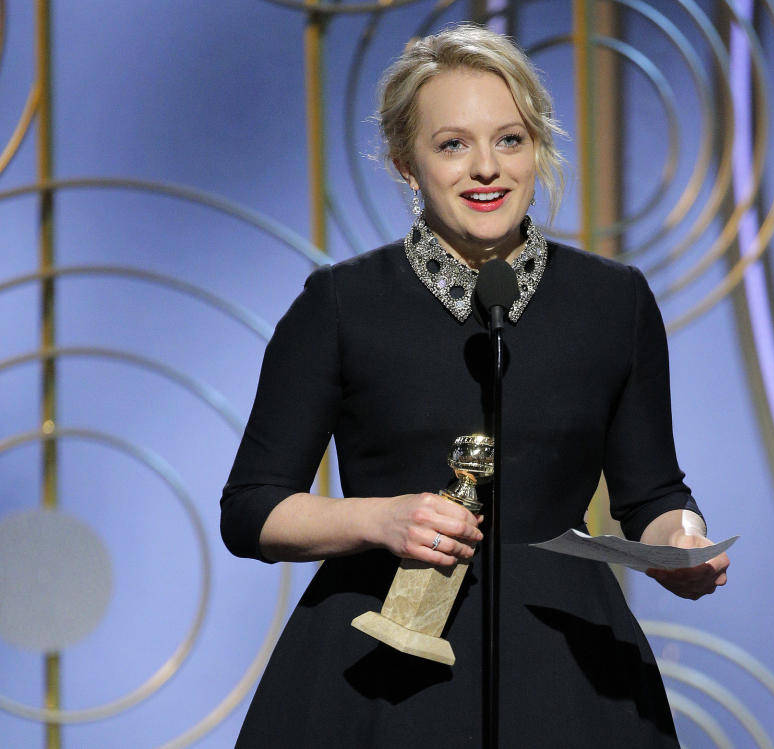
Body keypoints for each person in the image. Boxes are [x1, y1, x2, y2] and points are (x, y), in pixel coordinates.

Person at [220, 23, 729, 748]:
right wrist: (380, 519)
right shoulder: (341, 304)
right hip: (378, 676)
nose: (486, 168)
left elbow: (651, 494)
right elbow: (251, 510)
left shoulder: (613, 301)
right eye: (452, 144)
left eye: (510, 140)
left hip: (566, 673)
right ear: (406, 163)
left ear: (538, 148)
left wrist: (681, 540)